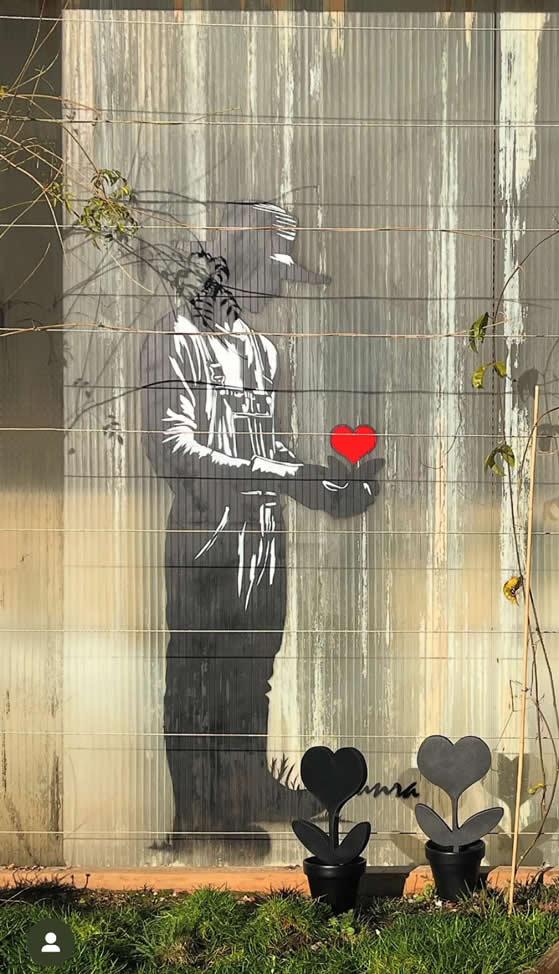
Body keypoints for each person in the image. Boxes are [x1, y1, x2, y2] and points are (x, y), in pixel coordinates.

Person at [139, 202, 383, 858]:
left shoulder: (264, 352)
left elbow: (271, 452)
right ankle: (195, 816)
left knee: (253, 672)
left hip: (264, 542)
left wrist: (330, 491)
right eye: (267, 272)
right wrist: (287, 475)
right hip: (204, 538)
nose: (276, 289)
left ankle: (243, 790)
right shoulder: (174, 340)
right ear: (231, 266)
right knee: (195, 677)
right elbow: (172, 449)